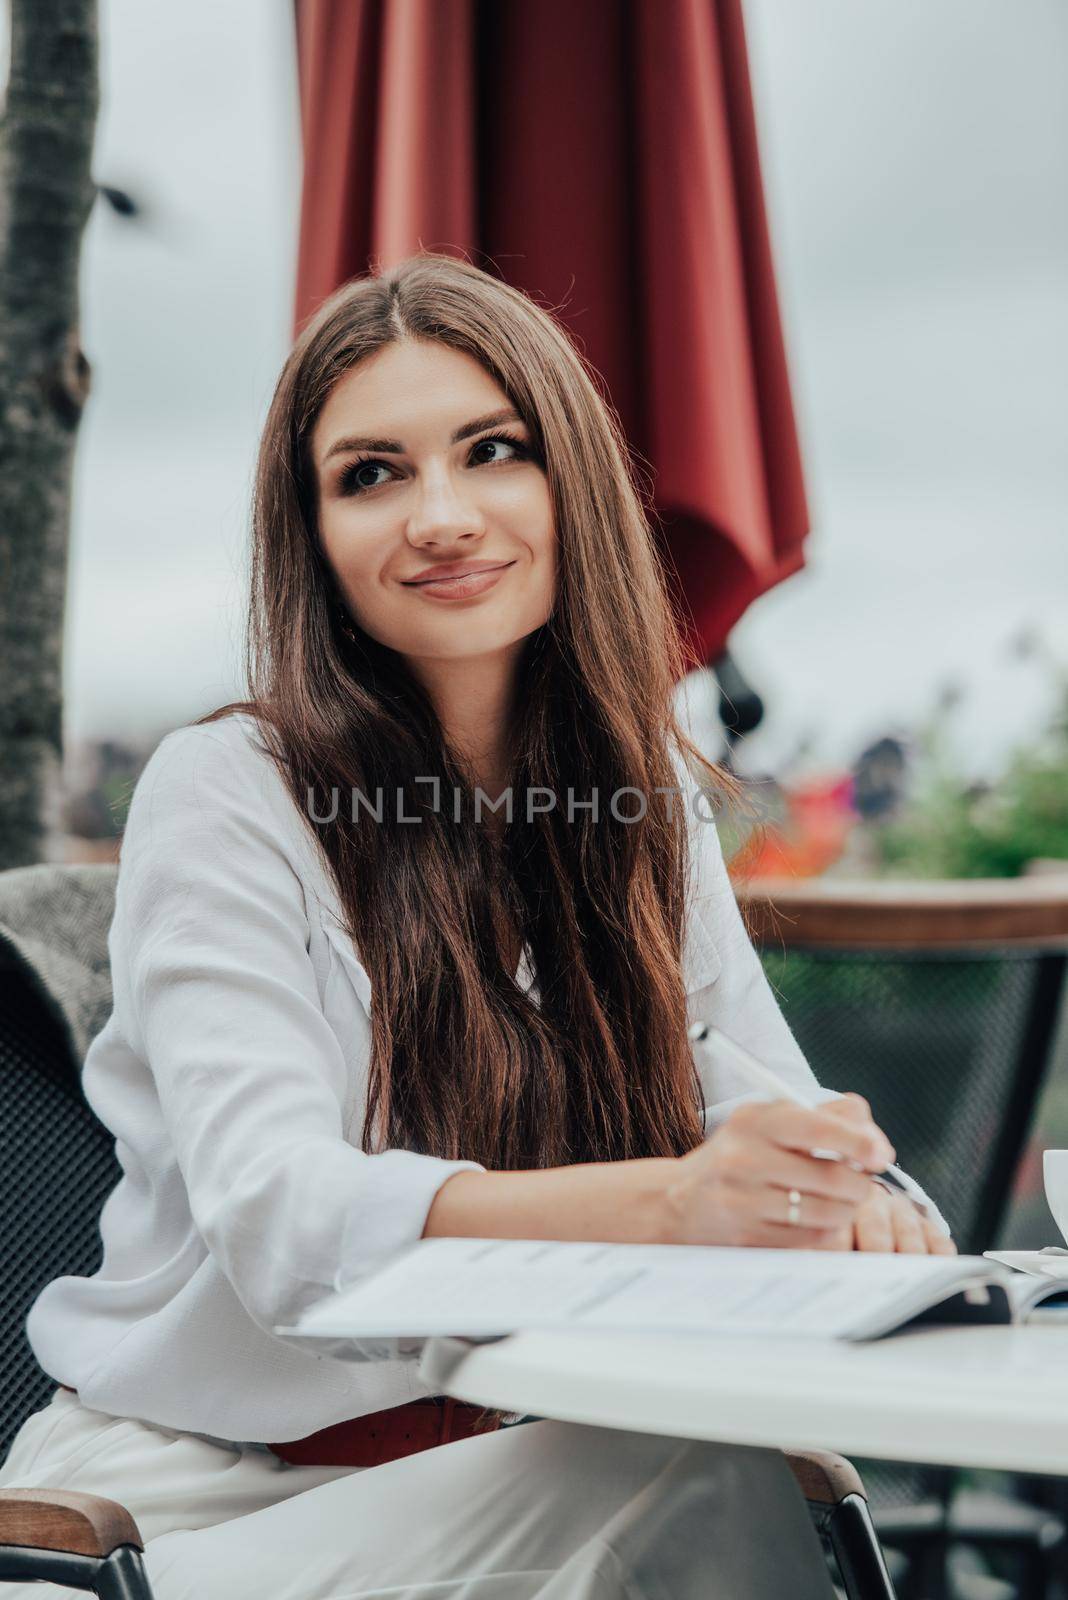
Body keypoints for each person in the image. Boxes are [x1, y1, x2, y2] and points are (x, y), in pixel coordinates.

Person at [0, 253, 953, 1599]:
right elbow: (285, 1218)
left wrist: (858, 1196)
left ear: (570, 479)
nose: (440, 515)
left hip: (510, 1478)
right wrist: (679, 1204)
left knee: (719, 1463)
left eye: (492, 451)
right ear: (313, 536)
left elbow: (764, 1101)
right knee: (698, 1471)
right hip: (181, 1515)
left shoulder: (635, 803)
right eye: (371, 474)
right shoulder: (230, 795)